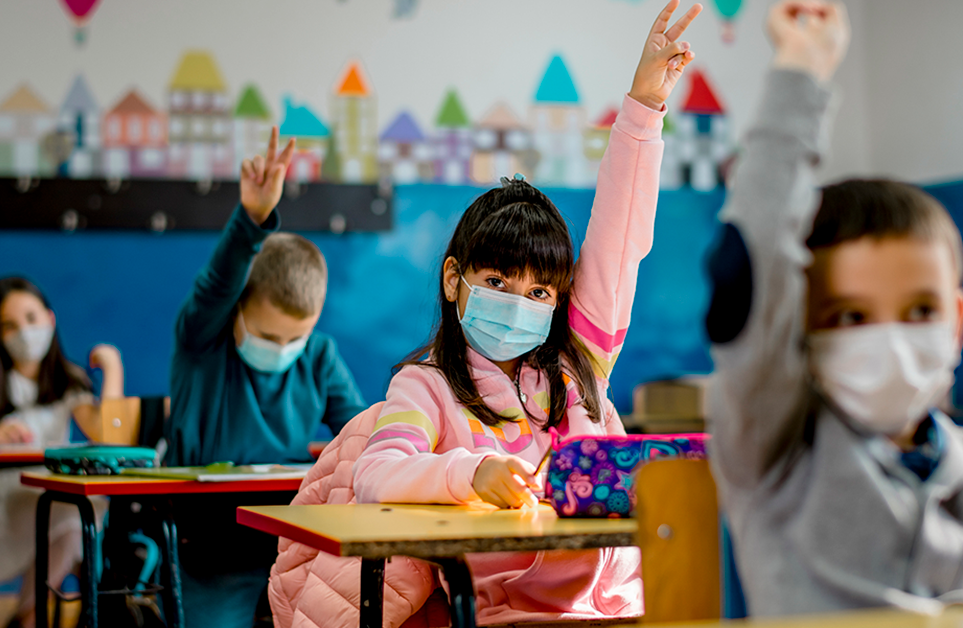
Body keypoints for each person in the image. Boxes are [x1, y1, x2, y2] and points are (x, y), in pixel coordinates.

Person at [268, 2, 702, 625]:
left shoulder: (580, 368)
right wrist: (472, 473)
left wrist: (643, 107)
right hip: (505, 617)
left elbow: (620, 241)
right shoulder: (426, 387)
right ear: (454, 280)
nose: (519, 306)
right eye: (497, 281)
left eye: (539, 294)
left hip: (619, 610)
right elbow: (377, 473)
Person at [703, 0, 963, 616]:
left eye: (920, 310)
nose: (889, 337)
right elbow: (751, 265)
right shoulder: (778, 453)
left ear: (958, 322)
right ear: (797, 329)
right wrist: (801, 71)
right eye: (850, 317)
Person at [165, 128, 366, 627]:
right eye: (267, 334)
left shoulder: (317, 355)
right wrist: (252, 219)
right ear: (237, 310)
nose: (283, 350)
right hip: (210, 549)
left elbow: (362, 433)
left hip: (295, 543)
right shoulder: (203, 341)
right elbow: (216, 284)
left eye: (294, 338)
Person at [0, 276, 122, 628]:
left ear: (49, 319)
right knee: (69, 512)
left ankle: (30, 614)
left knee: (80, 512)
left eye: (31, 319)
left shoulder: (68, 380)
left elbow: (109, 433)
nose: (24, 333)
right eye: (9, 325)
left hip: (42, 498)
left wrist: (112, 367)